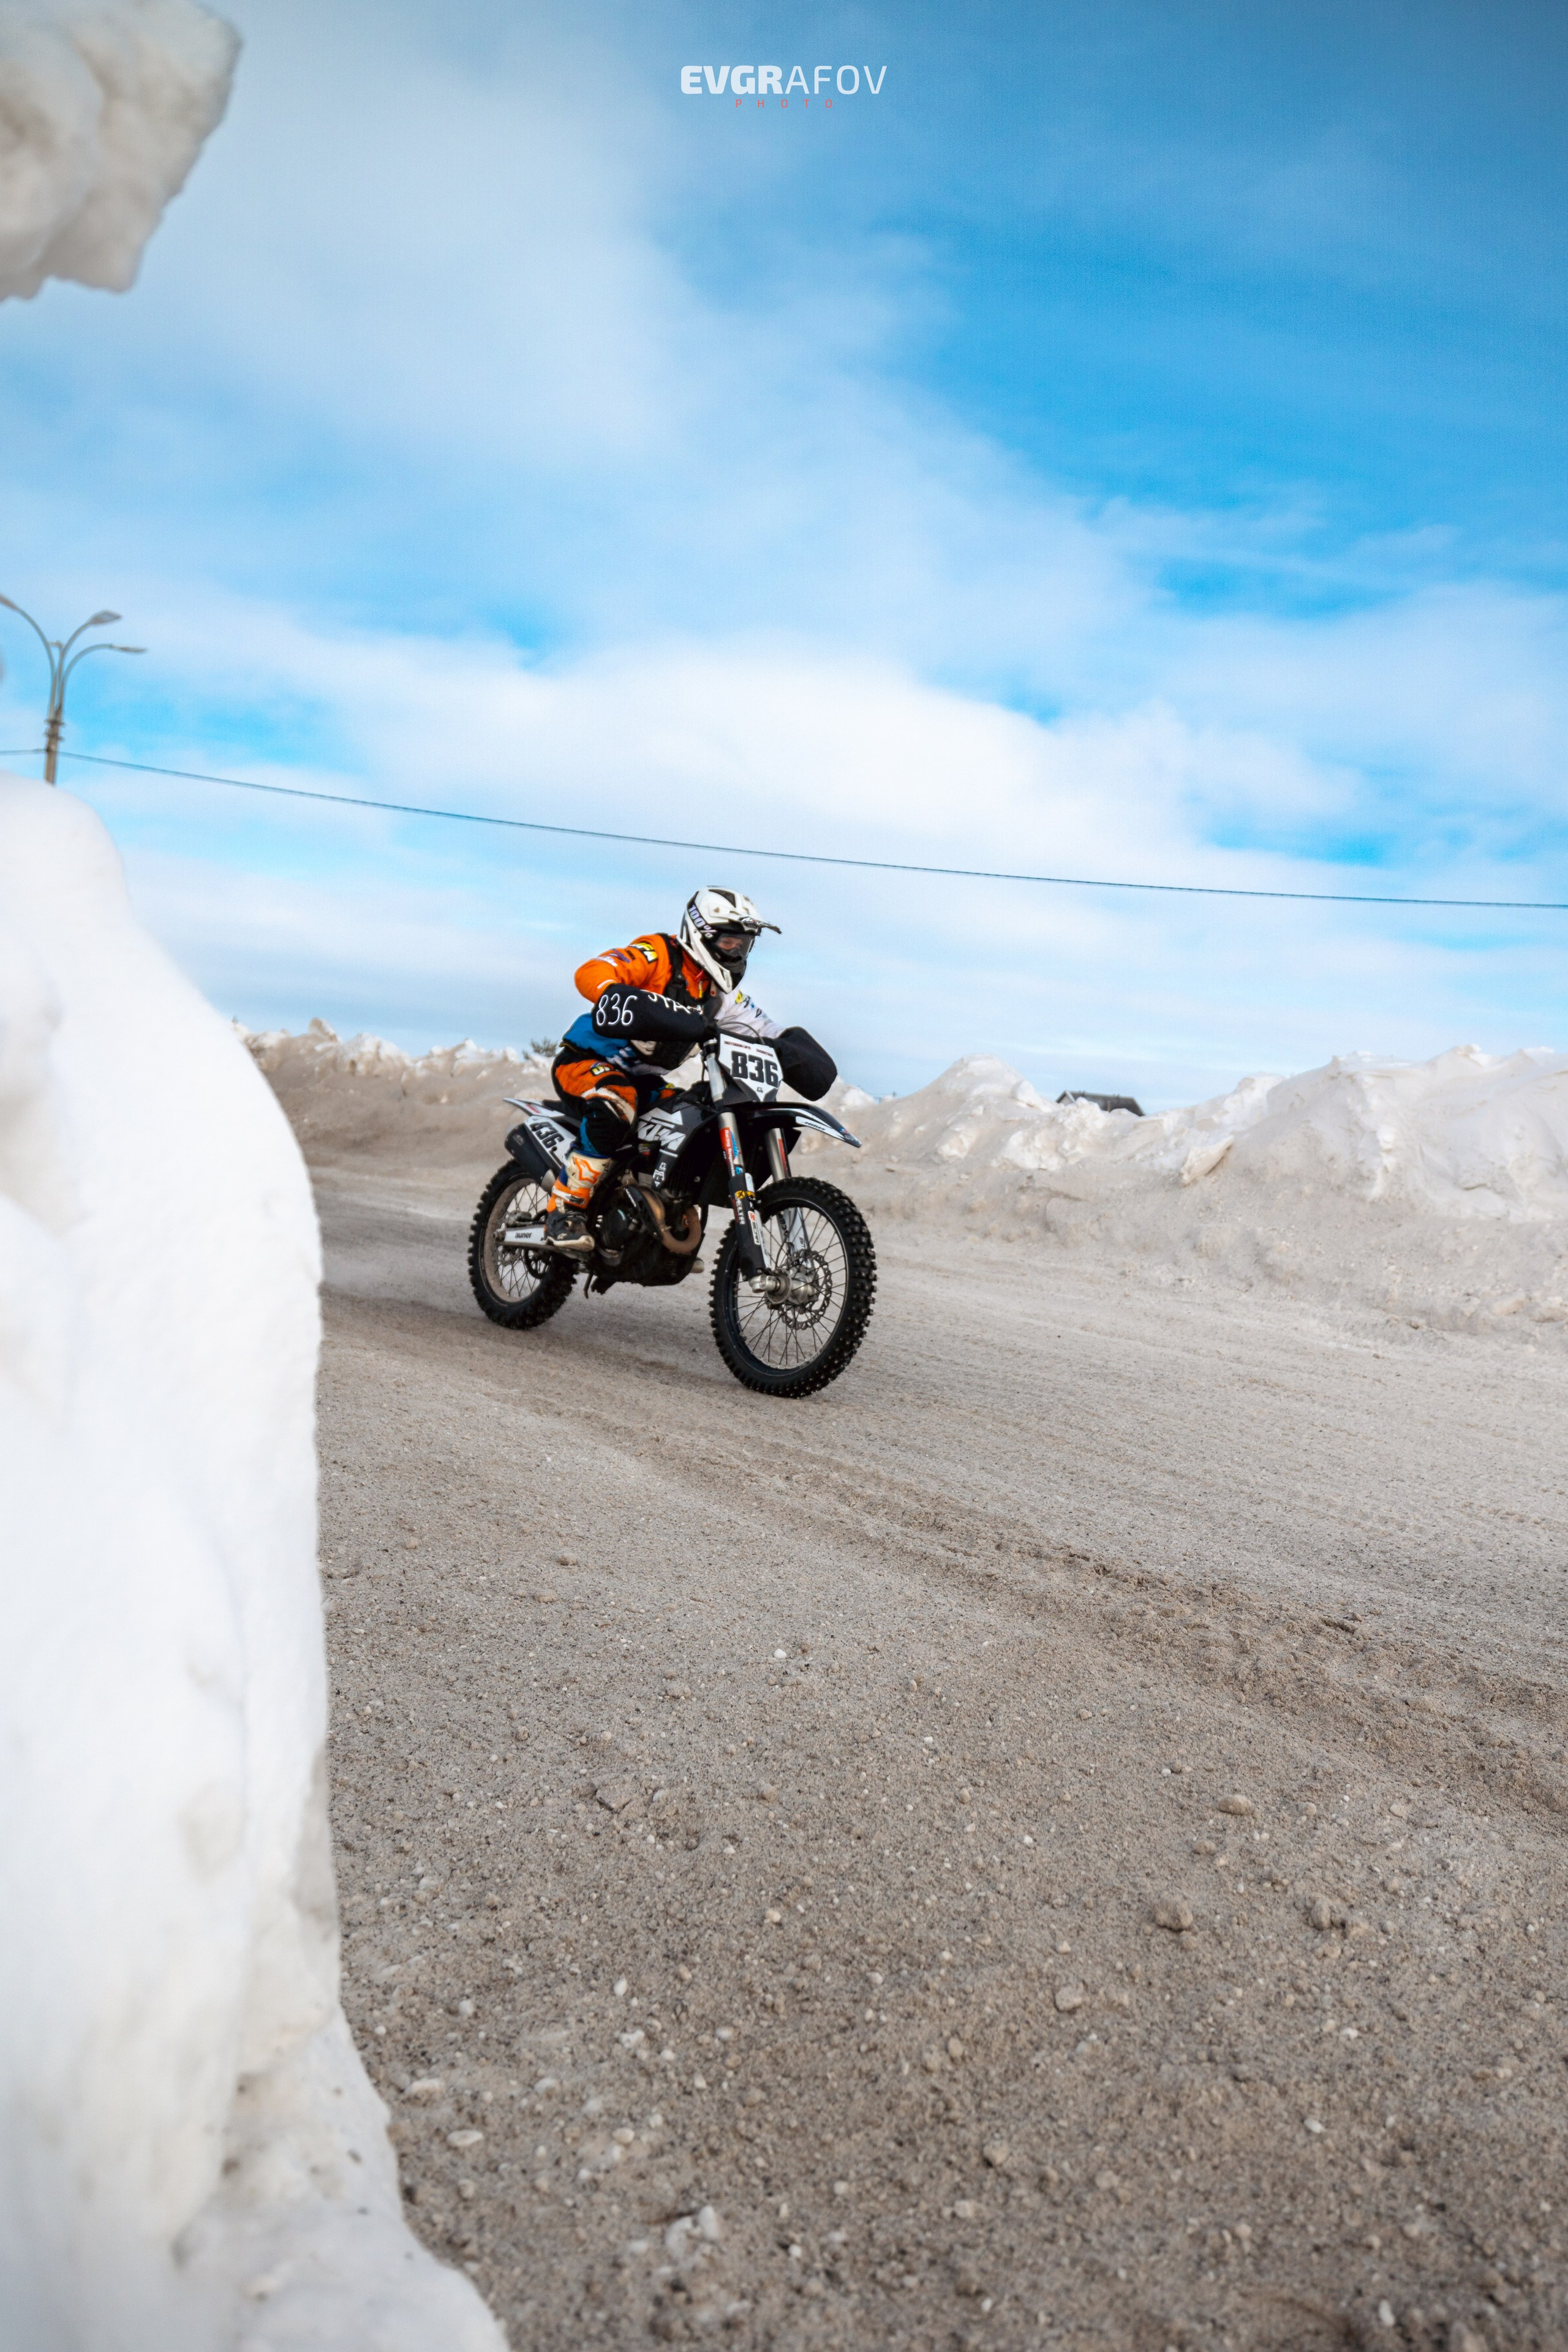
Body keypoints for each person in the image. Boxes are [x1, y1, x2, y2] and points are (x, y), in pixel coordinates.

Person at [541, 887, 835, 1253]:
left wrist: (795, 1052)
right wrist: (611, 990)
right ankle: (564, 1211)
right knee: (617, 1103)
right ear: (701, 933)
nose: (736, 952)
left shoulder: (720, 995)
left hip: (644, 1080)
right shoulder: (659, 954)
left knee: (689, 1120)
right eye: (728, 942)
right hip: (585, 1062)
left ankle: (652, 1218)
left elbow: (765, 1029)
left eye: (743, 945)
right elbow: (594, 970)